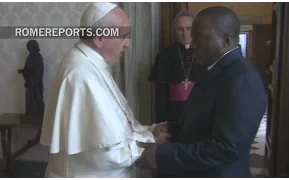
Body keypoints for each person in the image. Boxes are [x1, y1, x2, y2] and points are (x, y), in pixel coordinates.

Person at [40, 2, 170, 178]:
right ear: (99, 38)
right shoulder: (81, 75)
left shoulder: (93, 64)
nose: (128, 44)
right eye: (123, 36)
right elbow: (103, 155)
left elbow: (119, 129)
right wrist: (150, 143)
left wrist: (149, 131)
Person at [136, 6, 267, 178]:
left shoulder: (241, 79)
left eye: (199, 36)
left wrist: (161, 155)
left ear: (225, 40)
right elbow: (206, 122)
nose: (193, 44)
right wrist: (173, 128)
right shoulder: (213, 69)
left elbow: (225, 148)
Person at [148, 9, 207, 124]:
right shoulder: (166, 54)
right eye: (180, 29)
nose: (185, 33)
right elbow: (161, 94)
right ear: (175, 30)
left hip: (202, 113)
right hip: (175, 114)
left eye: (189, 28)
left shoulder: (206, 52)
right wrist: (162, 122)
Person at [18, 40, 45, 115]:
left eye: (30, 48)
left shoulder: (39, 57)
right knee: (29, 100)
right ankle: (29, 114)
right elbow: (26, 69)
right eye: (28, 48)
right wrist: (22, 71)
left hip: (36, 84)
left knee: (37, 100)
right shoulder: (29, 57)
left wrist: (30, 73)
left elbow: (38, 71)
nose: (29, 50)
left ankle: (38, 114)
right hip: (30, 83)